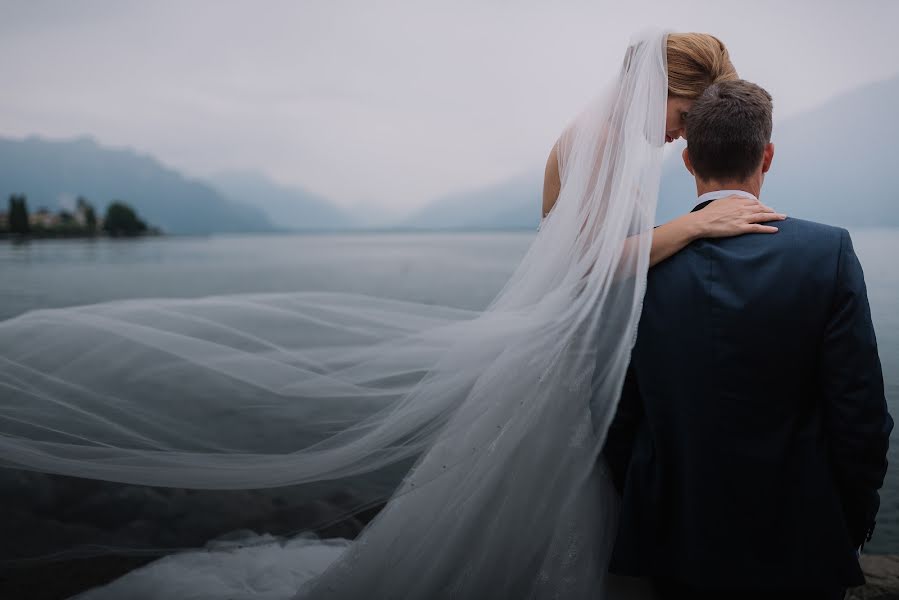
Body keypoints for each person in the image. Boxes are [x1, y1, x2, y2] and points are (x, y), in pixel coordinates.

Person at [0, 31, 780, 600]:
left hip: (577, 349)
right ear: (658, 87)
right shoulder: (599, 140)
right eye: (683, 109)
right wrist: (691, 227)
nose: (682, 128)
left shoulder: (612, 138)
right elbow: (586, 260)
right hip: (568, 354)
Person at [602, 79, 893, 600]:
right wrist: (849, 521)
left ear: (687, 161)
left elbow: (620, 416)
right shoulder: (827, 252)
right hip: (800, 539)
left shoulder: (638, 265)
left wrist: (652, 510)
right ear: (769, 155)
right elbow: (860, 411)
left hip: (674, 543)